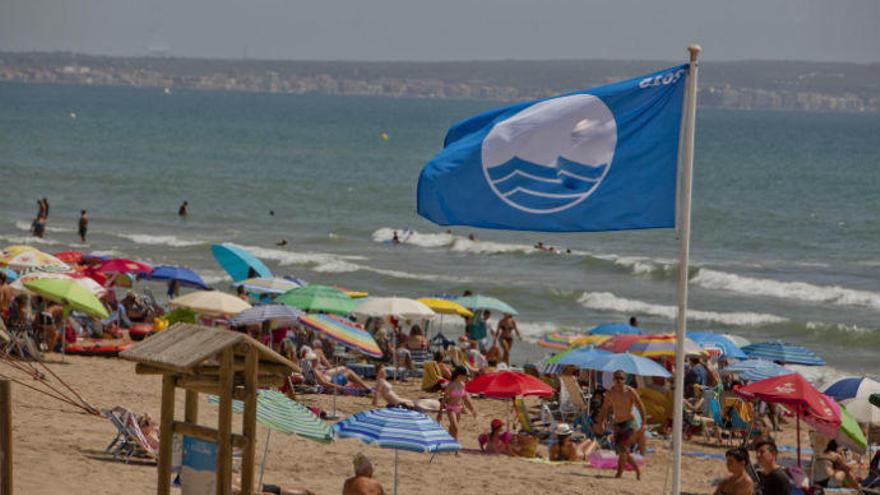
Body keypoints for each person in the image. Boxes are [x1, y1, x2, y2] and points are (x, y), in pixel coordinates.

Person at [596, 370, 647, 480]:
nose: (619, 380)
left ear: (625, 380)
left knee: (623, 449)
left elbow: (641, 406)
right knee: (622, 451)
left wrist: (644, 423)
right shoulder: (610, 393)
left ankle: (619, 474)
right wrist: (600, 423)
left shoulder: (630, 392)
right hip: (617, 423)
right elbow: (604, 408)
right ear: (613, 380)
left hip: (629, 422)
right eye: (617, 378)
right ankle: (637, 469)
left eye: (621, 378)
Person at [372, 367, 440, 412]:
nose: (385, 373)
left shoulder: (381, 380)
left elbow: (378, 392)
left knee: (417, 402)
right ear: (379, 372)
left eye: (385, 371)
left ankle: (436, 405)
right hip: (397, 402)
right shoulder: (380, 381)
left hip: (398, 400)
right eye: (383, 372)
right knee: (417, 405)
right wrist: (375, 403)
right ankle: (436, 408)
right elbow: (377, 393)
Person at [438, 366, 477, 441]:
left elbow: (465, 398)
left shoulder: (462, 385)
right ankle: (455, 446)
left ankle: (448, 442)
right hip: (450, 408)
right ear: (459, 376)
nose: (467, 378)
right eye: (465, 376)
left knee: (453, 427)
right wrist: (440, 413)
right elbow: (444, 399)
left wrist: (472, 409)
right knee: (455, 427)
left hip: (459, 408)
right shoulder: (450, 386)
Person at [300, 351, 370, 392]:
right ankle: (367, 388)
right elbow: (323, 383)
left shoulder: (312, 369)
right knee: (349, 372)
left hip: (332, 380)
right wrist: (337, 386)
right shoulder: (314, 370)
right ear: (313, 361)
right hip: (333, 382)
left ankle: (364, 387)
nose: (318, 361)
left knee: (348, 373)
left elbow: (315, 381)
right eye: (316, 360)